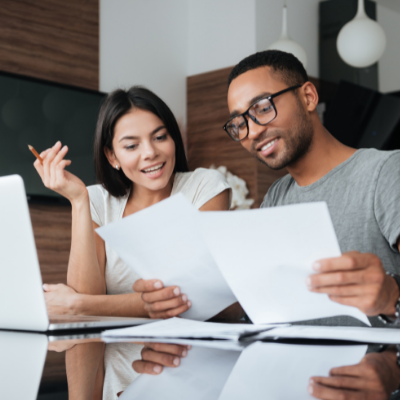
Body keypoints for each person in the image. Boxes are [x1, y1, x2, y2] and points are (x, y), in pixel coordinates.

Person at [223, 49, 400, 326]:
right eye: (239, 123)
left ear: (308, 97)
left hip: (381, 364)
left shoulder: (386, 171)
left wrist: (392, 298)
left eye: (263, 107)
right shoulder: (276, 197)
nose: (253, 132)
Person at [34, 86, 231, 319]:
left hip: (183, 352)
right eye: (131, 146)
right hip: (111, 354)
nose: (150, 152)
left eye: (160, 137)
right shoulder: (97, 200)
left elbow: (188, 297)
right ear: (112, 156)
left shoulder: (204, 187)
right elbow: (86, 294)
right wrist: (78, 201)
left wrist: (78, 305)